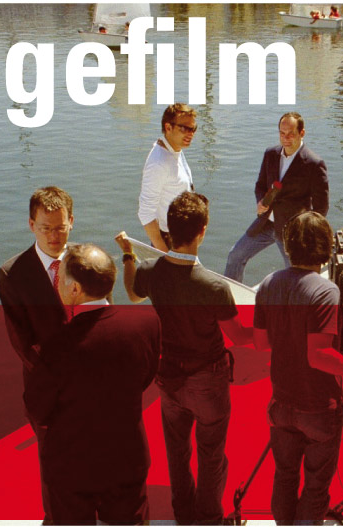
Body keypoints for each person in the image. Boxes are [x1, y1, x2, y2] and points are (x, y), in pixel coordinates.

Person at [116, 192, 252, 525]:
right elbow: (239, 337)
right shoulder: (213, 286)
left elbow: (132, 293)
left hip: (169, 379)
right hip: (208, 382)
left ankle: (183, 514)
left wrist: (128, 255)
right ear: (202, 232)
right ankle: (209, 519)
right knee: (211, 454)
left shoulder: (150, 271)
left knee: (177, 453)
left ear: (169, 230)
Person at [253, 211, 343, 525]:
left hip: (281, 404)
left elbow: (261, 342)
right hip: (319, 408)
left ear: (288, 246)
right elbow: (320, 356)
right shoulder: (326, 292)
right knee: (315, 487)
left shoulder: (268, 284)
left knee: (284, 476)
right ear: (325, 249)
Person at [24, 243, 161, 525]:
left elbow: (38, 410)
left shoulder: (52, 346)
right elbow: (145, 377)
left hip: (72, 465)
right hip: (127, 457)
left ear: (75, 289)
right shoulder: (147, 324)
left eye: (60, 277)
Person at [0, 185, 75, 524]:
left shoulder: (87, 262)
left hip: (92, 386)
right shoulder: (13, 274)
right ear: (31, 225)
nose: (54, 236)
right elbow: (22, 342)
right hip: (47, 391)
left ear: (72, 222)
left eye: (60, 227)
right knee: (54, 463)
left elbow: (105, 318)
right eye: (45, 228)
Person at [224, 112, 329, 284]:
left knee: (297, 277)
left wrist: (305, 233)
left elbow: (321, 208)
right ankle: (229, 298)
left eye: (291, 134)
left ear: (302, 133)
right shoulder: (270, 154)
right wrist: (260, 201)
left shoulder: (314, 164)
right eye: (282, 133)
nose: (285, 138)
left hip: (292, 233)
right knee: (235, 256)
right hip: (266, 223)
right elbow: (260, 185)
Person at [138, 103, 198, 252]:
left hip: (184, 237)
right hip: (170, 241)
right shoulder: (159, 163)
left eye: (193, 129)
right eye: (184, 128)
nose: (190, 134)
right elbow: (145, 213)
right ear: (168, 127)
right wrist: (164, 254)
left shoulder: (175, 150)